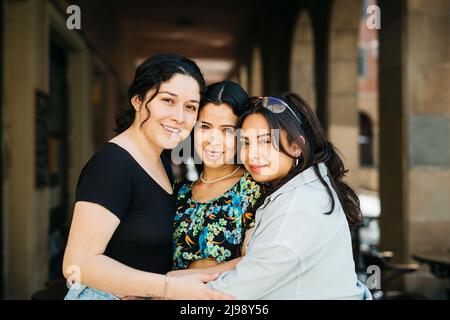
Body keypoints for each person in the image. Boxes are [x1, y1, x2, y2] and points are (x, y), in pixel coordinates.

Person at [63, 53, 233, 300]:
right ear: (138, 99)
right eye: (167, 100)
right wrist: (166, 287)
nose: (180, 117)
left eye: (191, 107)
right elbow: (77, 265)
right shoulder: (113, 165)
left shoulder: (160, 159)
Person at [207, 93, 372, 299]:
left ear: (296, 146)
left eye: (265, 141)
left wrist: (165, 287)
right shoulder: (299, 189)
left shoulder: (299, 206)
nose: (252, 154)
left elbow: (229, 293)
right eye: (246, 143)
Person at [170, 81, 263, 276]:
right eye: (205, 126)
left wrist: (178, 279)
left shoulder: (256, 190)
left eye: (227, 130)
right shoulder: (177, 191)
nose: (213, 140)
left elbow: (260, 261)